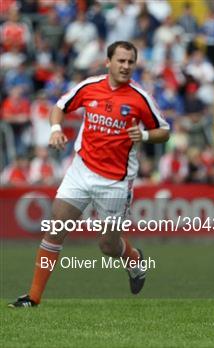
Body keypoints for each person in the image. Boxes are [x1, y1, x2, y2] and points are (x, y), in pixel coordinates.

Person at [9, 41, 170, 308]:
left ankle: (135, 260)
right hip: (81, 171)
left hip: (116, 182)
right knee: (55, 228)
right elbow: (58, 107)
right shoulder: (89, 87)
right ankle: (33, 297)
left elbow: (164, 130)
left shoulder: (141, 99)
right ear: (108, 62)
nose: (126, 66)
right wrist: (55, 129)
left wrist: (142, 135)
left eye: (130, 62)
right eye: (121, 60)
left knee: (107, 246)